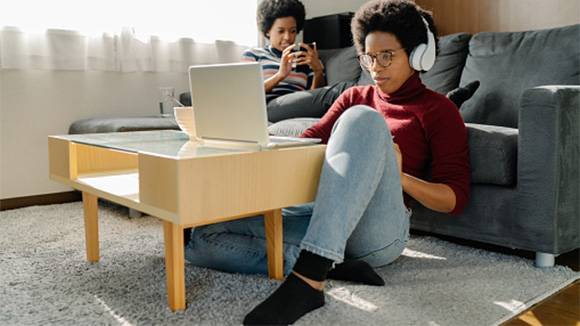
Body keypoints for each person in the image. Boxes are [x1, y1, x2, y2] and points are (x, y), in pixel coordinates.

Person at [184, 0, 471, 324]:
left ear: (419, 54)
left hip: (379, 231)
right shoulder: (353, 95)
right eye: (368, 57)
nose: (375, 67)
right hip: (327, 215)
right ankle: (330, 262)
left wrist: (398, 174)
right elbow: (308, 143)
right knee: (202, 239)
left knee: (363, 119)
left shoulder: (438, 110)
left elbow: (455, 200)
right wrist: (259, 137)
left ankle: (308, 280)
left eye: (386, 56)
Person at [241, 0, 325, 103]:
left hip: (302, 105)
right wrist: (280, 75)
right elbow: (246, 93)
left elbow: (317, 99)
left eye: (292, 31)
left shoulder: (306, 58)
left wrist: (318, 71)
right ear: (268, 30)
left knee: (338, 94)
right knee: (341, 90)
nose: (287, 37)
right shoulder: (253, 55)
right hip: (271, 105)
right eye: (281, 31)